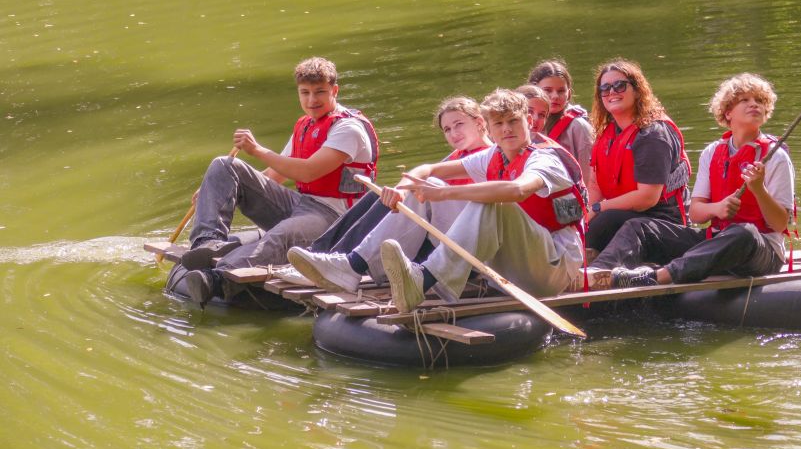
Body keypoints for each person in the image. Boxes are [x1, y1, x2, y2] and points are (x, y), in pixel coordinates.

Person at [299, 89, 586, 313]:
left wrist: (447, 193)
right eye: (499, 123)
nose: (507, 129)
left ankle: (422, 279)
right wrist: (402, 189)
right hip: (510, 261)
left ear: (529, 122)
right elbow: (427, 170)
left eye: (514, 121)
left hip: (552, 266)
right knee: (430, 184)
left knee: (490, 199)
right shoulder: (493, 155)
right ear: (488, 126)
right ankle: (353, 266)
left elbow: (516, 190)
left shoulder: (545, 159)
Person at [181, 57, 378, 306]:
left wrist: (258, 150)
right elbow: (275, 174)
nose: (311, 101)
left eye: (320, 92)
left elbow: (308, 172)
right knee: (224, 165)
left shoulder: (348, 129)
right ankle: (207, 241)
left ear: (334, 91)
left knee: (281, 234)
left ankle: (218, 279)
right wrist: (216, 189)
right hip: (301, 204)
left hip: (334, 219)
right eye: (305, 93)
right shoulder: (306, 125)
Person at [598, 73, 795, 287]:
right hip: (717, 239)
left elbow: (780, 223)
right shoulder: (712, 153)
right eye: (745, 100)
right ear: (728, 112)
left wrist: (759, 190)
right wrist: (717, 208)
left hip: (760, 250)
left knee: (744, 232)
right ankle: (597, 273)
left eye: (759, 101)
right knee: (639, 226)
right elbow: (696, 214)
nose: (754, 105)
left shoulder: (776, 157)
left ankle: (658, 277)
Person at [282, 96, 492, 289]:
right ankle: (323, 255)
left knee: (422, 189)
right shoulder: (459, 156)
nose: (453, 134)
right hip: (445, 232)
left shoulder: (488, 157)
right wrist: (398, 191)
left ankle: (351, 264)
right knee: (379, 195)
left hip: (468, 241)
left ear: (480, 123)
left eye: (459, 125)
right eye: (447, 129)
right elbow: (421, 174)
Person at [585, 59, 691, 254]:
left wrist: (600, 209)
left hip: (663, 224)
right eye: (605, 88)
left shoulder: (653, 134)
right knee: (580, 226)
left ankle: (591, 272)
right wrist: (585, 216)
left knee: (603, 222)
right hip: (622, 215)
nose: (612, 92)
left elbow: (647, 198)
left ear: (637, 90)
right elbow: (595, 186)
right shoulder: (605, 134)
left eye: (620, 85)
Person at [527, 60, 594, 173]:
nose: (555, 96)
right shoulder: (521, 123)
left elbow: (588, 173)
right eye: (548, 90)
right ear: (534, 91)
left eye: (561, 91)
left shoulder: (578, 127)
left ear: (569, 94)